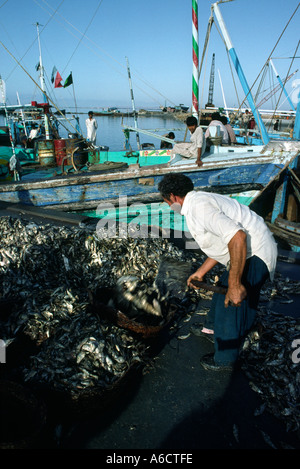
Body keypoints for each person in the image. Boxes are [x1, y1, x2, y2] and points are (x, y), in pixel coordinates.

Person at [158, 173, 277, 371]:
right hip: (248, 250)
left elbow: (237, 237)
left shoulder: (199, 207)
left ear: (172, 196)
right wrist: (200, 272)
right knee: (223, 285)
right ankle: (211, 328)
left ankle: (225, 357)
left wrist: (236, 284)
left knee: (231, 300)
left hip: (256, 253)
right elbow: (223, 241)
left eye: (166, 201)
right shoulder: (197, 202)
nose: (167, 206)